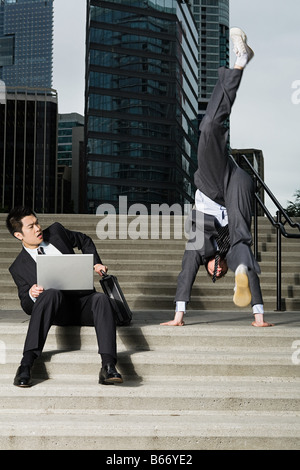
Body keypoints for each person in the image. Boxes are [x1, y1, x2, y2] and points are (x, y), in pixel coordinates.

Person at [161, 28, 274, 328]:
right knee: (242, 250)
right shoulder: (231, 253)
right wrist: (259, 316)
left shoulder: (198, 248)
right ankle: (250, 292)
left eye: (215, 272)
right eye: (220, 274)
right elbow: (244, 257)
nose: (217, 270)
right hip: (237, 186)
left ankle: (239, 62)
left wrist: (178, 315)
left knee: (209, 128)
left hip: (213, 185)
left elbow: (186, 273)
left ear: (207, 266)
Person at [6, 206, 124, 387]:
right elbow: (27, 306)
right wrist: (31, 294)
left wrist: (96, 263)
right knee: (50, 293)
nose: (38, 228)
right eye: (31, 227)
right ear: (18, 235)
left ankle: (108, 366)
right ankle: (26, 364)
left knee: (101, 299)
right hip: (58, 310)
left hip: (84, 303)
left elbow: (84, 240)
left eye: (37, 223)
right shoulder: (18, 267)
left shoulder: (56, 232)